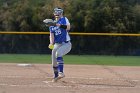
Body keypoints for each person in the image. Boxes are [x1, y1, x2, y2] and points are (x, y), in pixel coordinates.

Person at [47, 7, 72, 82]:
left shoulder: (64, 19)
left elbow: (68, 28)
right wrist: (51, 43)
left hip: (66, 44)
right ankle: (56, 76)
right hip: (57, 44)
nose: (57, 13)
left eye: (59, 11)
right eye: (56, 11)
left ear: (61, 13)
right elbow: (51, 35)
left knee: (58, 53)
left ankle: (61, 72)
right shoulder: (51, 24)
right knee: (54, 62)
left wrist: (58, 25)